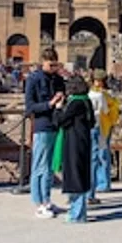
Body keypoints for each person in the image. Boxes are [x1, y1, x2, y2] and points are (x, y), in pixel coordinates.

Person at [24, 49, 66, 218]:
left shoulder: (58, 79)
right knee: (39, 166)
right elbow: (30, 107)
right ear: (43, 62)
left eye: (56, 65)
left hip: (55, 125)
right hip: (42, 125)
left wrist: (62, 101)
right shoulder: (33, 80)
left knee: (49, 167)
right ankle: (38, 202)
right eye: (51, 65)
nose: (54, 68)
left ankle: (47, 199)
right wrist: (49, 104)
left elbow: (65, 96)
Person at [52, 76, 95, 223]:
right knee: (81, 174)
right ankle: (79, 212)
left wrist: (58, 109)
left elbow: (60, 121)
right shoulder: (86, 101)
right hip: (83, 141)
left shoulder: (75, 103)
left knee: (75, 176)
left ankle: (77, 214)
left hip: (73, 142)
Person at [87, 71, 119, 204]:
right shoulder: (101, 95)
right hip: (100, 125)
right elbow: (107, 109)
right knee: (99, 155)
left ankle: (103, 182)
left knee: (100, 155)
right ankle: (101, 183)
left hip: (102, 126)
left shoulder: (101, 94)